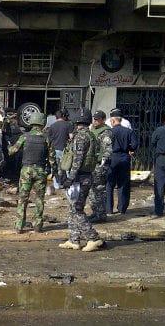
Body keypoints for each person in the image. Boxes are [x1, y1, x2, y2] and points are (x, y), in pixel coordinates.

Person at [58, 108, 105, 252]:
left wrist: (69, 178)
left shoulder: (80, 137)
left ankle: (93, 238)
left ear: (77, 122)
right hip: (86, 176)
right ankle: (74, 239)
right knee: (73, 209)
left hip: (79, 178)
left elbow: (77, 160)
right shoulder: (92, 136)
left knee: (77, 210)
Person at [8, 112, 57, 233]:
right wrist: (54, 170)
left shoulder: (25, 137)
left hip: (26, 171)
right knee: (39, 199)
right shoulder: (46, 138)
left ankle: (19, 226)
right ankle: (37, 225)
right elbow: (52, 158)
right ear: (43, 123)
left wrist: (8, 146)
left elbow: (12, 151)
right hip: (40, 171)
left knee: (23, 199)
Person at [106, 108, 138, 214]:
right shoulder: (128, 132)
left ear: (114, 121)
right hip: (124, 158)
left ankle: (108, 209)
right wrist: (130, 150)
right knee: (123, 183)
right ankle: (122, 208)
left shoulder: (109, 132)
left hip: (112, 158)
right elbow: (134, 145)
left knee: (109, 184)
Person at [89, 110, 113, 223]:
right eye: (94, 119)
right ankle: (95, 212)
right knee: (92, 191)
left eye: (98, 119)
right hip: (92, 164)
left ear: (103, 120)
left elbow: (108, 148)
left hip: (100, 165)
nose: (95, 121)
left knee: (99, 190)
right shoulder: (94, 130)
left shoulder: (106, 132)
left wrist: (103, 161)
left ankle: (100, 214)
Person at [46, 110, 73, 189]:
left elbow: (48, 139)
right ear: (63, 116)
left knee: (54, 168)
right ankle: (69, 185)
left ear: (55, 117)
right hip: (65, 150)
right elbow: (71, 136)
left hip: (54, 150)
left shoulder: (52, 126)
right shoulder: (68, 124)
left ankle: (56, 185)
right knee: (67, 167)